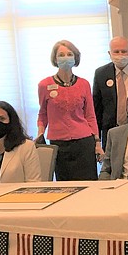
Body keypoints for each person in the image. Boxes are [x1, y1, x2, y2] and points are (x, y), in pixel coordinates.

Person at [37, 40, 102, 181]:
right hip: (58, 142)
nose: (65, 57)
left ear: (75, 57)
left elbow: (90, 115)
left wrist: (97, 143)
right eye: (61, 54)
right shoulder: (45, 85)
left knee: (89, 183)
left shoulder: (84, 84)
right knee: (65, 183)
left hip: (84, 141)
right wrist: (40, 134)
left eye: (69, 54)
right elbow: (43, 114)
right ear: (55, 58)